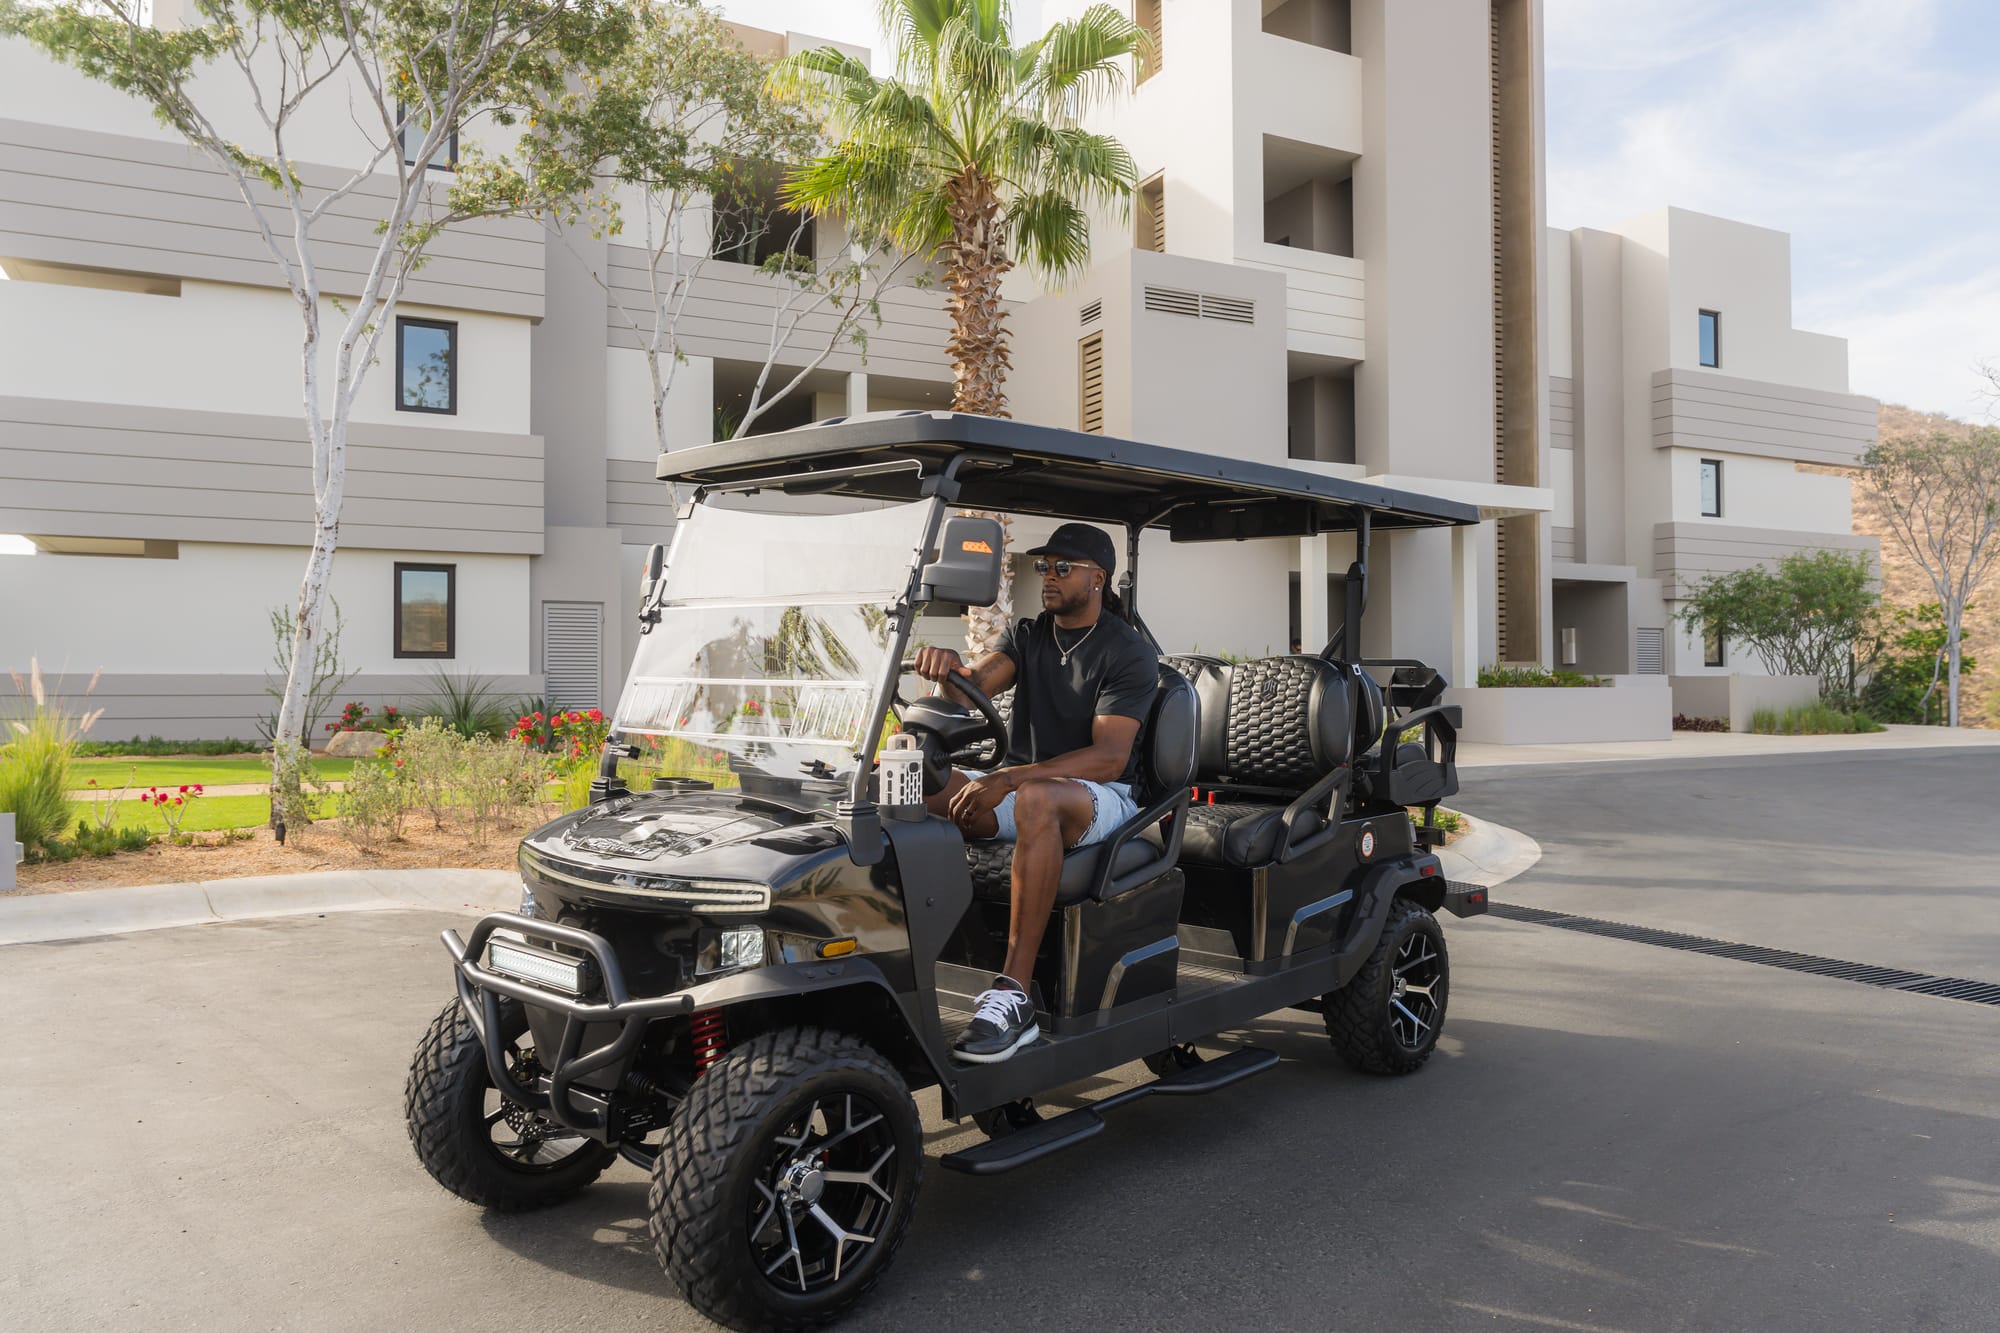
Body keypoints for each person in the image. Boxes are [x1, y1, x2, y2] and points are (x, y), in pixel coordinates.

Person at [911, 523, 1158, 1063]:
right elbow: (975, 682)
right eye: (1044, 565)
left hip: (1103, 799)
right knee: (911, 783)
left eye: (1062, 567)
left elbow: (1107, 758)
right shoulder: (1029, 634)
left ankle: (1013, 995)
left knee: (1037, 798)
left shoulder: (1128, 653)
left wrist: (1005, 778)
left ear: (1097, 578)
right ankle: (904, 964)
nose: (1047, 575)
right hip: (1026, 791)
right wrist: (946, 669)